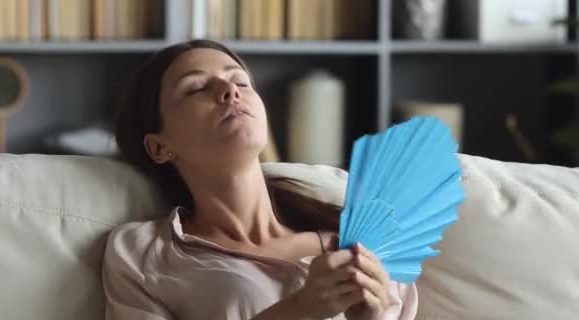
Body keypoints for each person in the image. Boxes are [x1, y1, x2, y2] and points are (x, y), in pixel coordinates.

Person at [103, 39, 418, 320]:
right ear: (159, 147)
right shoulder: (145, 253)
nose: (231, 91)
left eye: (240, 80)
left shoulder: (364, 243)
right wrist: (299, 310)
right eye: (197, 88)